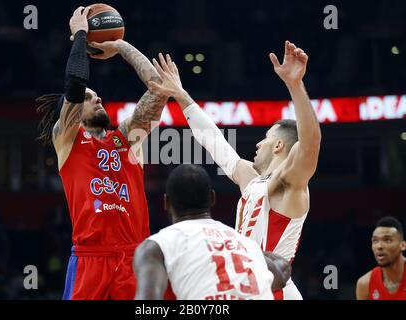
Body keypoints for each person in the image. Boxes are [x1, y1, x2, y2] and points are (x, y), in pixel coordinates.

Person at [147, 41, 321, 299]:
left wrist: (295, 85)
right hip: (249, 286)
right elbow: (214, 141)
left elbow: (310, 144)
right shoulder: (253, 179)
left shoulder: (288, 181)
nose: (259, 143)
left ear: (279, 145)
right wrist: (181, 94)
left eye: (266, 137)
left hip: (276, 289)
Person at [36, 7, 169, 299]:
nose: (96, 97)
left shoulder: (126, 139)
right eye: (88, 97)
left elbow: (159, 89)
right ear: (70, 114)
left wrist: (119, 45)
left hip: (135, 255)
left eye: (96, 94)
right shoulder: (67, 141)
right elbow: (74, 85)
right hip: (91, 256)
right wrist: (81, 35)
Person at [133, 164, 291, 300]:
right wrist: (261, 254)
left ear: (166, 202)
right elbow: (282, 272)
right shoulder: (245, 244)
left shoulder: (155, 246)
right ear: (213, 198)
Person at [356, 216, 406, 300]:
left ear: (403, 245)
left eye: (387, 240)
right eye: (375, 241)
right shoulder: (365, 284)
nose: (379, 246)